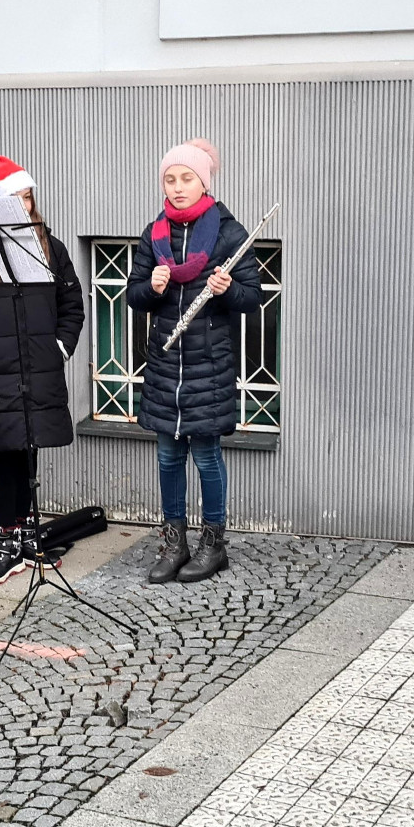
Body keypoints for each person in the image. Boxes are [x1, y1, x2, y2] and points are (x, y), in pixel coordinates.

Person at [126, 139, 264, 585]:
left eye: (187, 178)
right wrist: (152, 286)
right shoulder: (154, 234)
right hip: (166, 366)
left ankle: (213, 545)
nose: (178, 186)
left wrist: (229, 290)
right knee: (168, 458)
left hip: (209, 368)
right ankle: (174, 544)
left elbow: (252, 299)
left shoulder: (229, 233)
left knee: (206, 457)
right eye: (170, 179)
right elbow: (134, 296)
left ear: (203, 182)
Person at [0, 156, 85, 586]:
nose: (24, 206)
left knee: (28, 450)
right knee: (2, 456)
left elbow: (72, 305)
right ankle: (5, 542)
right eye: (14, 199)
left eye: (27, 198)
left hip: (37, 372)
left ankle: (26, 537)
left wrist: (58, 348)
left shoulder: (50, 248)